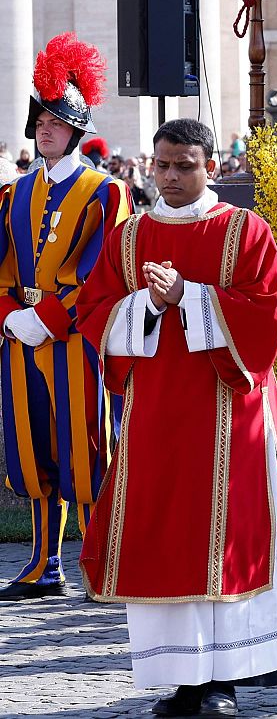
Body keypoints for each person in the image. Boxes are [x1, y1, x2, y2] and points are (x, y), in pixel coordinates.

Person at [77, 118, 277, 717]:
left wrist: (189, 297)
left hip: (231, 414)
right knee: (165, 537)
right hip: (154, 419)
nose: (171, 177)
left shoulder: (246, 232)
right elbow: (94, 312)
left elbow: (265, 319)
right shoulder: (127, 238)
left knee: (226, 538)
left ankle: (222, 679)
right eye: (162, 165)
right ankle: (183, 679)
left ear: (211, 167)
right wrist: (147, 304)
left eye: (185, 165)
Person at [0, 33, 128, 601]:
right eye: (41, 120)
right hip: (20, 338)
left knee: (85, 446)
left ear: (75, 127)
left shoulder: (106, 192)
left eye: (56, 120)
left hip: (74, 338)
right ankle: (43, 564)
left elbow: (103, 270)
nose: (45, 129)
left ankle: (101, 563)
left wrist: (49, 318)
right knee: (30, 449)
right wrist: (10, 317)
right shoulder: (13, 194)